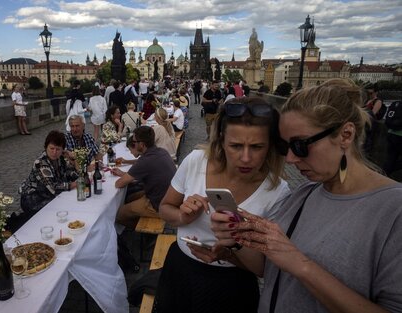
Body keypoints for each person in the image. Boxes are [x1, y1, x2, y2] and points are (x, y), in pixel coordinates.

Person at [211, 79, 402, 312]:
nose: (290, 159)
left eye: (300, 146)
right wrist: (237, 239)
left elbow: (292, 263)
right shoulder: (304, 193)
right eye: (285, 147)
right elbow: (270, 269)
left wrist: (300, 264)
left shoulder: (393, 210)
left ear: (346, 135)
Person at [154, 96, 289, 313]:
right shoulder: (196, 160)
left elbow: (264, 268)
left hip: (231, 284)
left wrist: (229, 252)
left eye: (257, 147)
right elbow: (165, 208)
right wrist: (182, 217)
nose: (246, 158)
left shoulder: (278, 191)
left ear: (271, 146)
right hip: (180, 269)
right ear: (221, 140)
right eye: (235, 146)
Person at [111, 126, 176, 229]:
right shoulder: (161, 151)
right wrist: (124, 171)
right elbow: (143, 169)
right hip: (168, 197)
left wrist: (123, 176)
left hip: (158, 205)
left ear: (141, 144)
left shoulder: (145, 161)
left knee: (117, 214)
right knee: (129, 197)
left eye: (134, 141)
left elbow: (118, 183)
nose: (133, 143)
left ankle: (141, 230)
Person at [19, 130, 78, 214]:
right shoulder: (40, 163)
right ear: (46, 147)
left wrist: (73, 159)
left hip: (47, 195)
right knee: (65, 206)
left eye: (58, 149)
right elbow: (53, 188)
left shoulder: (60, 158)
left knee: (70, 201)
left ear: (63, 150)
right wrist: (73, 184)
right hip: (33, 200)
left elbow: (69, 173)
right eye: (51, 148)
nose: (54, 152)